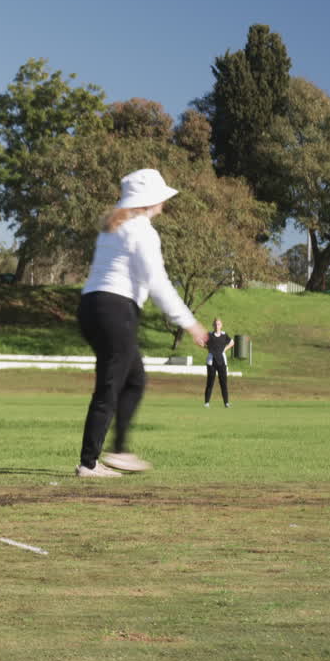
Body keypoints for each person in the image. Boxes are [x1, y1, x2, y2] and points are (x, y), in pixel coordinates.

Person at [75, 168, 208, 477]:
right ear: (150, 201)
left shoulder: (112, 228)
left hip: (91, 306)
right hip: (115, 309)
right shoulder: (142, 231)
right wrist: (190, 324)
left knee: (133, 379)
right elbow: (157, 282)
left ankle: (118, 451)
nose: (164, 204)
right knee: (111, 385)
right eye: (161, 198)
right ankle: (89, 463)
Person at [204, 318, 234, 408]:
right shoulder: (209, 335)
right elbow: (200, 341)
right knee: (210, 382)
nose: (217, 326)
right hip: (211, 362)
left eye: (219, 324)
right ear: (213, 325)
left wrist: (225, 349)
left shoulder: (224, 335)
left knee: (223, 383)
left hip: (222, 361)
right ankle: (206, 403)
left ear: (221, 325)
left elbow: (232, 342)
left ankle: (226, 403)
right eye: (215, 324)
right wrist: (207, 348)